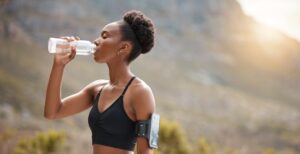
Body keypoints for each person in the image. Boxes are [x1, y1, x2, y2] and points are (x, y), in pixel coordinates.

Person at [44, 10, 156, 154]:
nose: (96, 40)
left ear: (123, 47)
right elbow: (52, 112)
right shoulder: (97, 88)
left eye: (104, 36)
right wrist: (59, 65)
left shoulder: (141, 92)